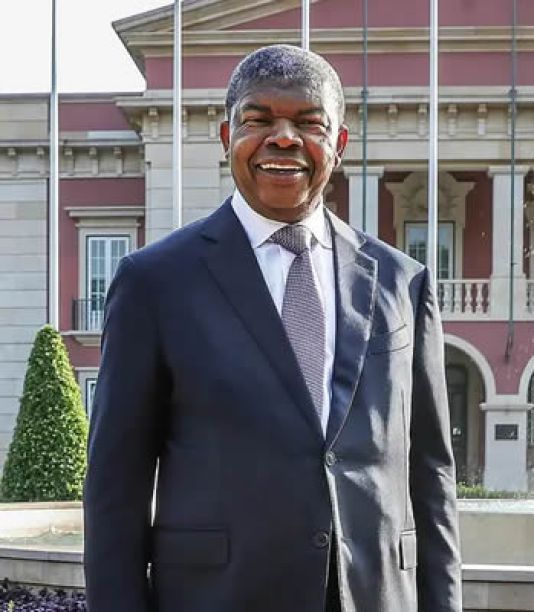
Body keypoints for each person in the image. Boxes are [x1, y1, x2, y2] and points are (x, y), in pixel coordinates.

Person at [83, 44, 462, 612]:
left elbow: (430, 473)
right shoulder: (155, 283)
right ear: (226, 137)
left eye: (309, 123)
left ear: (338, 144)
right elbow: (115, 488)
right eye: (258, 120)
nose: (284, 139)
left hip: (375, 594)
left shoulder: (402, 281)